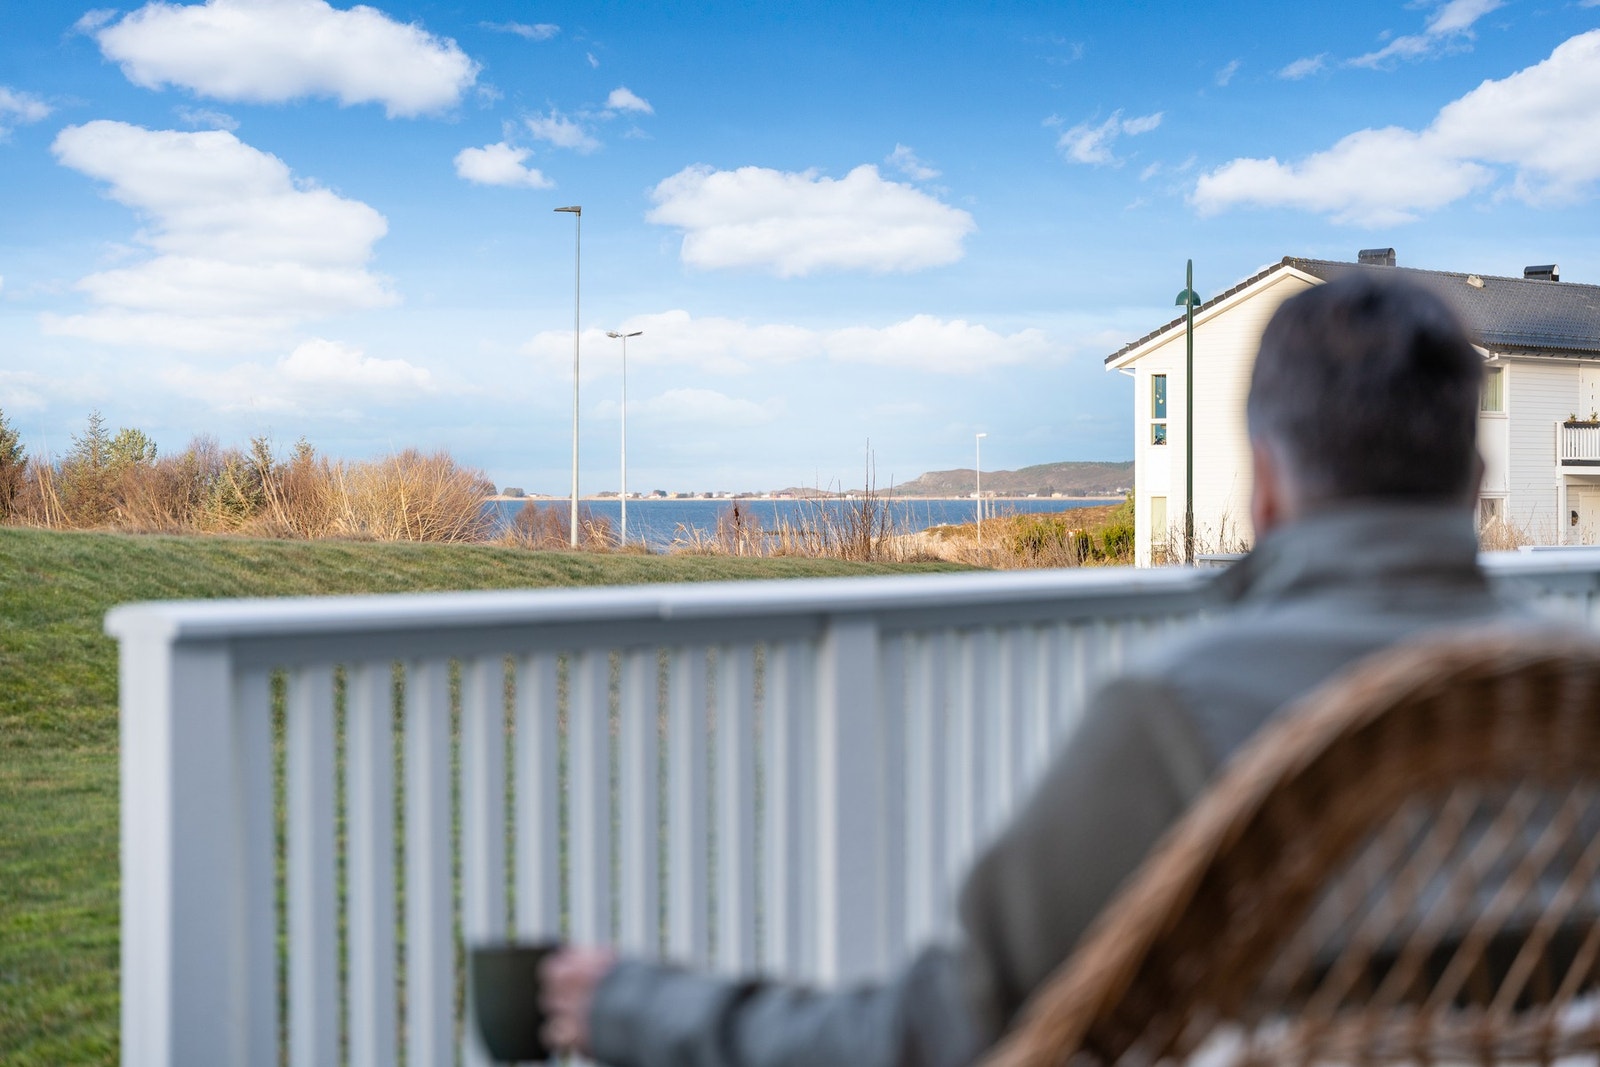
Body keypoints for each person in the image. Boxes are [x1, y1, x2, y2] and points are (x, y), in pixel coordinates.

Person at [539, 271, 1517, 1067]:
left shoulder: (1185, 711)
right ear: (1475, 488)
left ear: (1263, 483)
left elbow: (940, 1034)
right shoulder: (1571, 690)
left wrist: (635, 1005)